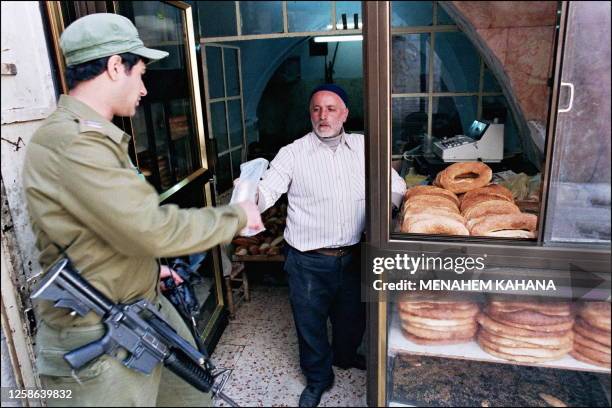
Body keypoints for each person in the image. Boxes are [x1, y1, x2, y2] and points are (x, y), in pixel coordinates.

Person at [22, 13, 263, 407]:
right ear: (116, 66)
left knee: (194, 394)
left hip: (138, 306)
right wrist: (236, 216)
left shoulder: (92, 136)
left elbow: (107, 230)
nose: (145, 89)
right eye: (141, 74)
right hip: (97, 333)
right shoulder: (74, 143)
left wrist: (149, 271)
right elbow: (150, 228)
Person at [254, 84, 406, 407]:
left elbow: (396, 185)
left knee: (353, 318)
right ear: (310, 114)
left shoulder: (365, 148)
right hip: (308, 259)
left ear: (345, 113)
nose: (323, 116)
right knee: (310, 323)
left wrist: (387, 212)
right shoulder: (292, 153)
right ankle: (318, 378)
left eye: (331, 108)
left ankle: (346, 357)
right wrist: (250, 199)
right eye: (316, 109)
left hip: (353, 255)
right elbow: (269, 189)